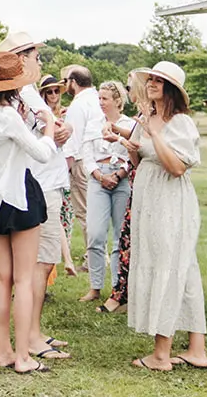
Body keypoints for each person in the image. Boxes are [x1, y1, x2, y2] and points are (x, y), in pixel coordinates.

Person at [0, 51, 59, 374]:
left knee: (2, 278)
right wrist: (50, 126)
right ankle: (23, 356)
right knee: (23, 280)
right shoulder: (8, 115)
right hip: (19, 196)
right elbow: (41, 153)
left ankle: (4, 351)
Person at [124, 61, 207, 372]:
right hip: (149, 199)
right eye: (150, 79)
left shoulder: (180, 123)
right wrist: (131, 146)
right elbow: (140, 160)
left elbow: (176, 168)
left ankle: (161, 354)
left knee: (169, 266)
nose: (151, 84)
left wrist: (154, 135)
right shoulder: (148, 117)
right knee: (184, 268)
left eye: (158, 81)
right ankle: (197, 349)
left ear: (171, 89)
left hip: (171, 201)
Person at [4, 32, 72, 361]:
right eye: (36, 56)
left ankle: (35, 330)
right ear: (22, 59)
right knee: (39, 264)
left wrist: (63, 129)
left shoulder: (29, 92)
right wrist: (56, 130)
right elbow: (42, 134)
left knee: (43, 262)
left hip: (47, 181)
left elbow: (54, 127)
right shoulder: (20, 95)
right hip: (39, 183)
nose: (40, 62)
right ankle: (30, 337)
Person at [98, 72, 146, 314]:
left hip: (145, 184)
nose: (127, 91)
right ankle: (122, 294)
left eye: (129, 86)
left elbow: (140, 147)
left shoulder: (149, 114)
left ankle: (126, 295)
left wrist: (119, 140)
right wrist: (117, 132)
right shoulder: (142, 116)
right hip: (138, 183)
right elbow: (136, 138)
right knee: (127, 238)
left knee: (129, 240)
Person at [81, 80, 133, 302]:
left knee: (120, 235)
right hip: (98, 178)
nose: (101, 102)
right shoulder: (93, 124)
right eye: (99, 98)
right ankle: (95, 286)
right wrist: (99, 176)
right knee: (95, 233)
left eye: (105, 98)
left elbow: (133, 154)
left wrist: (119, 174)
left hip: (121, 179)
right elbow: (86, 154)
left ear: (117, 101)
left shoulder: (129, 124)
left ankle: (117, 287)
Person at [61, 66, 102, 281]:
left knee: (85, 213)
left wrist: (66, 166)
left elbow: (72, 139)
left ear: (74, 82)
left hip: (80, 161)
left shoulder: (78, 104)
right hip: (97, 160)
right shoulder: (97, 99)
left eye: (65, 81)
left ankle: (92, 257)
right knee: (94, 211)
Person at [39, 75, 79, 279]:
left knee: (63, 218)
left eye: (56, 91)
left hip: (61, 172)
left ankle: (65, 259)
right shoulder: (41, 114)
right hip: (45, 172)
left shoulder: (65, 113)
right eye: (49, 91)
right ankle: (67, 260)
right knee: (53, 219)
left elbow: (70, 138)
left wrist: (69, 127)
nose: (54, 95)